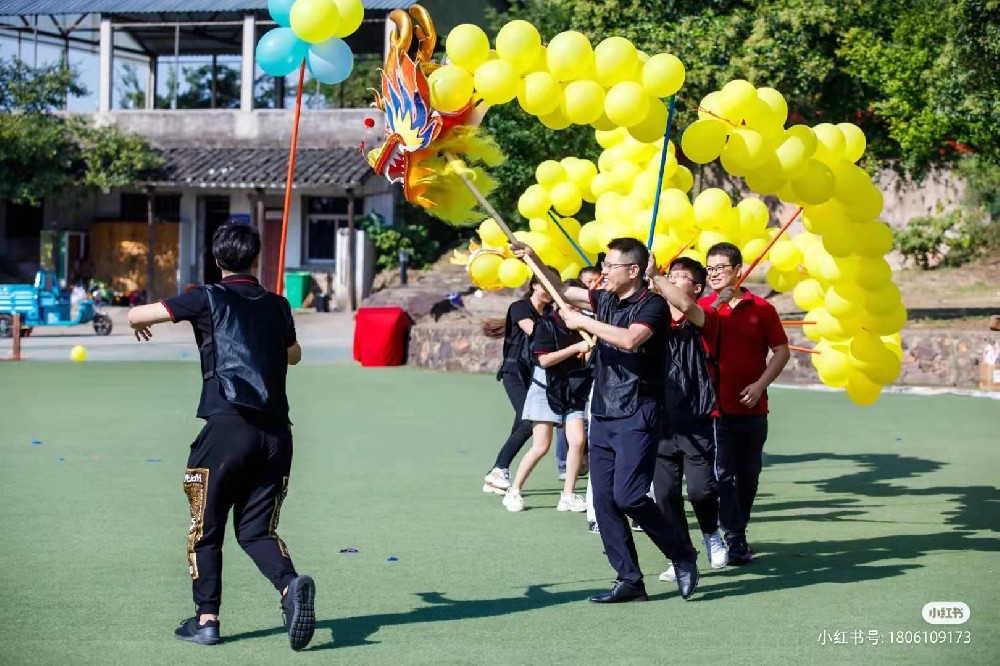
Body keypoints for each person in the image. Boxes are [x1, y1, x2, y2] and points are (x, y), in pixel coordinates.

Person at [126, 222, 315, 651]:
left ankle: (207, 620)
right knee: (256, 531)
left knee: (205, 528)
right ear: (256, 259)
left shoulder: (206, 298)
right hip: (276, 436)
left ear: (216, 261)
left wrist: (140, 322)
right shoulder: (278, 305)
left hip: (227, 430)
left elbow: (138, 314)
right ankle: (289, 587)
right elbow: (295, 354)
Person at [513, 238, 699, 603]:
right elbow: (561, 288)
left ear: (632, 270)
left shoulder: (654, 306)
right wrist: (532, 257)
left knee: (629, 495)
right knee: (605, 503)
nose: (603, 273)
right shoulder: (606, 298)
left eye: (610, 266)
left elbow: (630, 340)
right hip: (603, 410)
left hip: (638, 410)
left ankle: (681, 554)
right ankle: (628, 579)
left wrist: (583, 322)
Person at [699, 242, 790, 563]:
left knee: (749, 475)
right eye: (709, 269)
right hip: (714, 409)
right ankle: (733, 539)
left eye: (720, 268)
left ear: (738, 270)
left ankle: (737, 531)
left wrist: (760, 384)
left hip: (754, 407)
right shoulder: (705, 308)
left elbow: (781, 350)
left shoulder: (762, 309)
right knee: (722, 474)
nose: (714, 274)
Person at [646, 257, 729, 582]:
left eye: (679, 277)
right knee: (665, 495)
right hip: (659, 422)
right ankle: (681, 554)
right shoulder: (652, 318)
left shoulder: (704, 316)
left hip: (695, 419)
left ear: (696, 287)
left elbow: (682, 303)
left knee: (700, 490)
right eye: (670, 275)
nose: (672, 280)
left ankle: (711, 532)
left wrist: (655, 276)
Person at [503, 280, 594, 513]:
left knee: (577, 441)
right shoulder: (545, 325)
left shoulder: (583, 326)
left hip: (572, 389)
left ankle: (568, 495)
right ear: (559, 304)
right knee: (541, 446)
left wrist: (589, 348)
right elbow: (543, 360)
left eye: (579, 307)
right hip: (545, 389)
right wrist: (575, 349)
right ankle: (514, 491)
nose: (577, 312)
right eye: (572, 306)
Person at [481, 274, 552, 494]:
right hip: (514, 372)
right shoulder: (520, 307)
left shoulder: (550, 313)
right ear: (535, 285)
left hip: (534, 373)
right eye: (547, 285)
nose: (551, 290)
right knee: (527, 421)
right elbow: (535, 332)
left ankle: (495, 473)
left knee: (518, 425)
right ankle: (499, 469)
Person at [555, 266, 602, 481]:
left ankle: (582, 463)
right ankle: (564, 463)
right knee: (559, 429)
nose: (593, 284)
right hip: (563, 383)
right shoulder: (553, 322)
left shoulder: (595, 314)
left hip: (589, 377)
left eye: (595, 280)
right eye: (588, 281)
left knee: (583, 428)